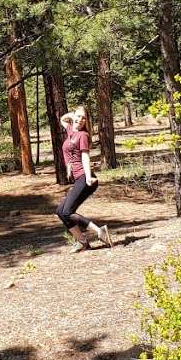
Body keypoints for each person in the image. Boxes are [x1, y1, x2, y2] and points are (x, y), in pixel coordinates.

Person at [56, 105, 113, 251]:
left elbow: (85, 156)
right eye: (78, 116)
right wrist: (73, 115)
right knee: (60, 212)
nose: (81, 120)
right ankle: (82, 242)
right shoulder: (70, 129)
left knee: (67, 212)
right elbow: (62, 118)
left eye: (84, 118)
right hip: (78, 178)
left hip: (85, 178)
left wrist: (88, 177)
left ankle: (100, 232)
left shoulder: (83, 135)